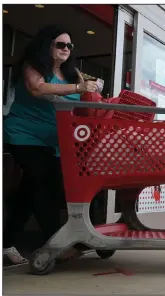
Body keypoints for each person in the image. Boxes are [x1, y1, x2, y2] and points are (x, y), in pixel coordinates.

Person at [3, 25, 99, 265]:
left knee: (32, 189)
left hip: (54, 141)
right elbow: (38, 88)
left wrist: (95, 96)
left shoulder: (73, 72)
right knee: (43, 184)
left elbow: (86, 100)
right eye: (60, 44)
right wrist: (79, 88)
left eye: (69, 45)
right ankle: (55, 243)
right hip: (23, 134)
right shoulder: (32, 66)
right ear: (47, 44)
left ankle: (6, 243)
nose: (66, 49)